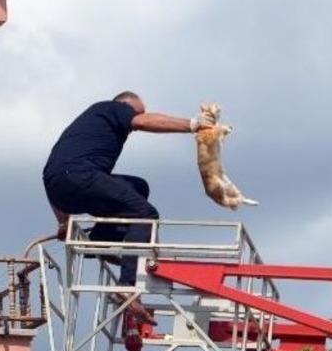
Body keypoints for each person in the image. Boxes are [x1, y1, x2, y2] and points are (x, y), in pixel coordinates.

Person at [42, 91, 213, 324]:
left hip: (64, 185)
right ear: (125, 105)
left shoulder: (85, 130)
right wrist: (193, 125)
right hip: (82, 176)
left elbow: (50, 179)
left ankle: (100, 241)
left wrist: (64, 223)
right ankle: (127, 287)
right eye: (135, 112)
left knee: (138, 187)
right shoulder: (112, 108)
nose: (133, 122)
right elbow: (143, 121)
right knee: (146, 214)